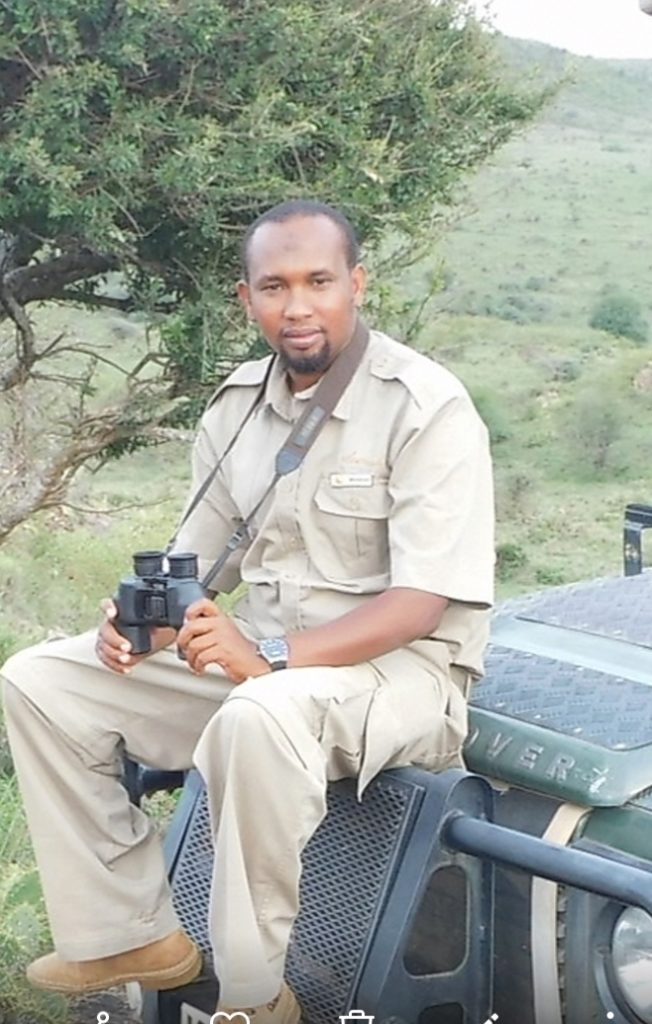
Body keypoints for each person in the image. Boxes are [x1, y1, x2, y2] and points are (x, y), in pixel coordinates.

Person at [1, 199, 494, 1024]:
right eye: (275, 286)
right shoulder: (235, 410)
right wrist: (142, 626)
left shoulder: (425, 405)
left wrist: (266, 657)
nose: (297, 306)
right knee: (42, 679)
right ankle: (129, 934)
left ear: (356, 284)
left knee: (258, 713)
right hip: (266, 665)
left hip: (399, 676)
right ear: (247, 298)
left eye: (318, 282)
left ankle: (253, 997)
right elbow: (202, 568)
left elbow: (420, 603)